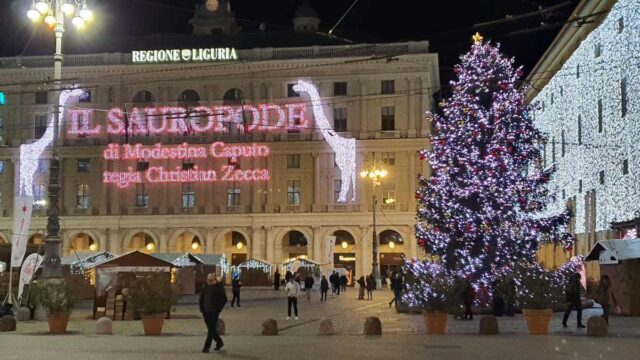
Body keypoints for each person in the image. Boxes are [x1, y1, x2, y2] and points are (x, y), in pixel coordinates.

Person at [199, 273, 227, 353]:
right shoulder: (205, 287)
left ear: (214, 280)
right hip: (205, 311)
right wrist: (201, 308)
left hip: (214, 311)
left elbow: (224, 299)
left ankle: (206, 347)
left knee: (211, 330)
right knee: (211, 329)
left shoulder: (219, 288)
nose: (209, 281)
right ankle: (219, 342)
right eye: (208, 279)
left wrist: (218, 308)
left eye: (210, 280)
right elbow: (201, 298)